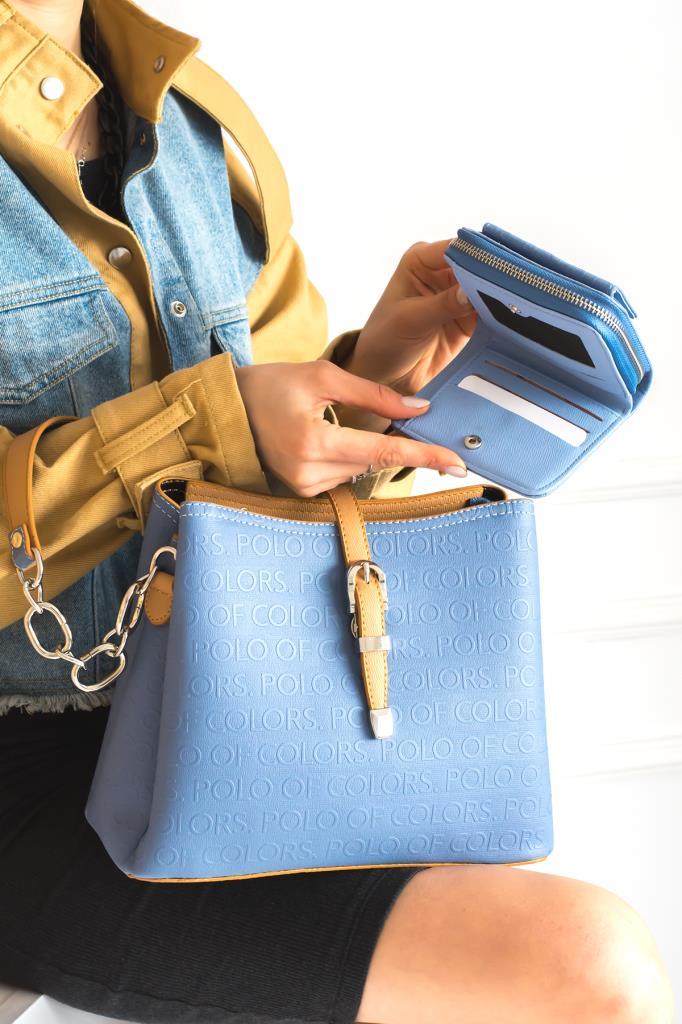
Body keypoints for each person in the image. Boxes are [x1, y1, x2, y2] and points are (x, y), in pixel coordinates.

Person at [0, 1, 674, 1022]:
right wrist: (204, 427)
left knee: (594, 956)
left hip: (239, 729)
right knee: (586, 963)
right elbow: (218, 426)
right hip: (34, 773)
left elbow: (263, 481)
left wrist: (365, 389)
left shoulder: (195, 123)